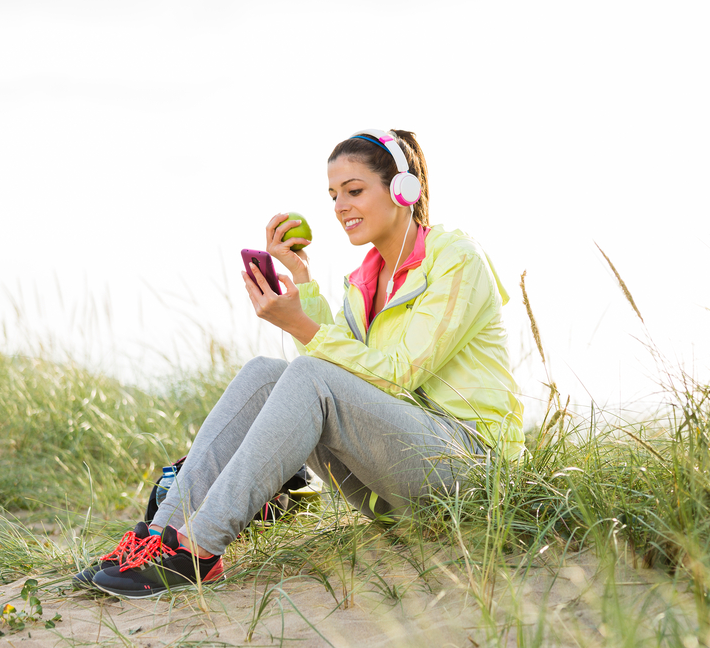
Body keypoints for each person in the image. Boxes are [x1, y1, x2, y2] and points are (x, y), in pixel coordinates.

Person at [74, 129, 525, 598]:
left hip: (469, 471)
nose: (339, 207)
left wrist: (301, 325)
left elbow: (397, 374)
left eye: (354, 191)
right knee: (265, 373)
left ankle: (197, 551)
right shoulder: (364, 280)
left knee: (307, 374)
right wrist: (303, 282)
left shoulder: (456, 259)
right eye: (333, 195)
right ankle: (156, 538)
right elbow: (346, 377)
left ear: (402, 190)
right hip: (398, 476)